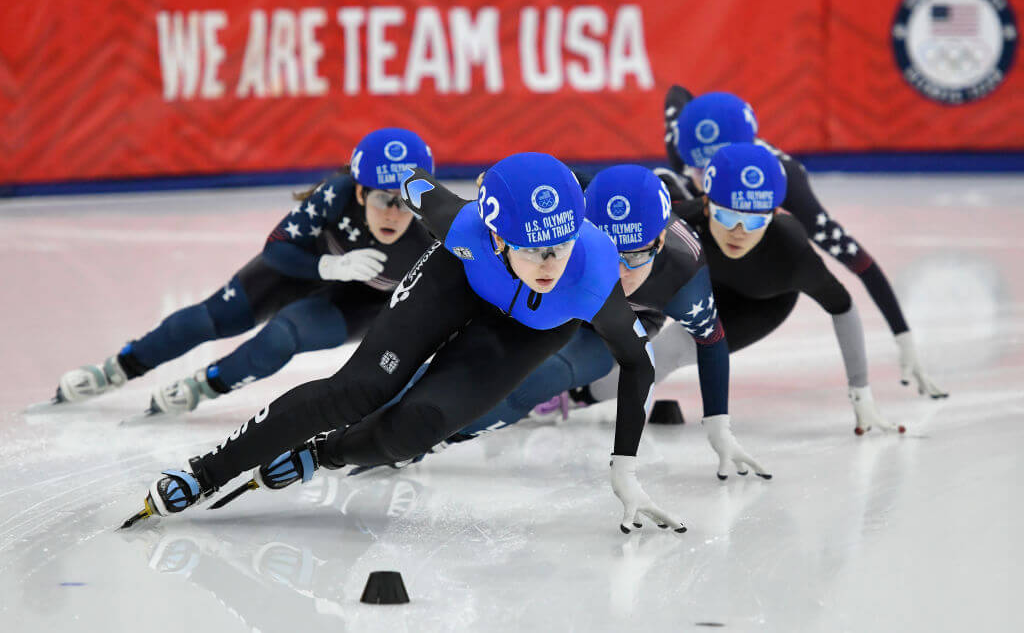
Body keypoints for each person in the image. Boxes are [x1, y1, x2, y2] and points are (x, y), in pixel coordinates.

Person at [123, 153, 685, 535]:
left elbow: (637, 367)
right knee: (359, 389)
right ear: (494, 234)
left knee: (415, 428)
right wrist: (383, 177)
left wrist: (624, 470)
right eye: (532, 249)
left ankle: (321, 454)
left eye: (560, 247)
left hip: (526, 331)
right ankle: (209, 470)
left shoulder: (590, 278)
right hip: (458, 280)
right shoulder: (462, 227)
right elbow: (414, 181)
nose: (549, 265)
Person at [37, 128, 436, 416]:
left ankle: (204, 386)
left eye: (406, 202)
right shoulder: (335, 194)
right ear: (361, 190)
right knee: (210, 318)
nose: (394, 213)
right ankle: (118, 369)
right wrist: (327, 265)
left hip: (364, 302)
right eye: (385, 198)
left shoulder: (436, 230)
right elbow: (277, 248)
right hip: (305, 266)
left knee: (282, 337)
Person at [443, 164, 770, 480]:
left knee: (539, 379)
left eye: (636, 256)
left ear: (658, 243)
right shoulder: (577, 200)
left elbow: (711, 341)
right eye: (608, 253)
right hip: (568, 291)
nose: (620, 272)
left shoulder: (684, 272)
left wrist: (719, 427)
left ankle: (440, 435)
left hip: (618, 322)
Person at [661, 89, 946, 399]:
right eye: (696, 168)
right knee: (662, 188)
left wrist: (904, 340)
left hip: (754, 279)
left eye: (708, 169)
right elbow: (675, 96)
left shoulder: (786, 184)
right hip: (707, 244)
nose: (702, 178)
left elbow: (858, 261)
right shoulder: (685, 144)